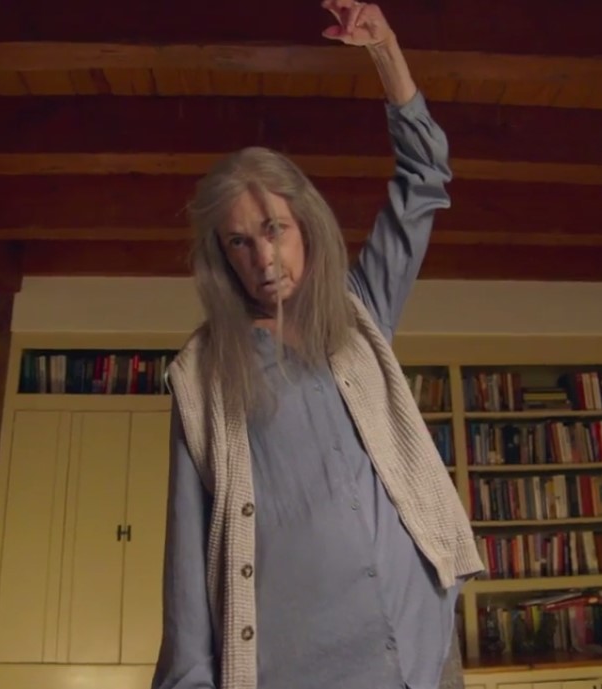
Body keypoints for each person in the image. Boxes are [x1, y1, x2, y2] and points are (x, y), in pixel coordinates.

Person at [154, 2, 483, 688]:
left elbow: (424, 178)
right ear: (222, 256)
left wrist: (385, 51)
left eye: (274, 228)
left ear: (305, 223)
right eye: (239, 241)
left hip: (422, 649)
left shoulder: (360, 312)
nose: (263, 257)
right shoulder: (205, 373)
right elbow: (187, 557)